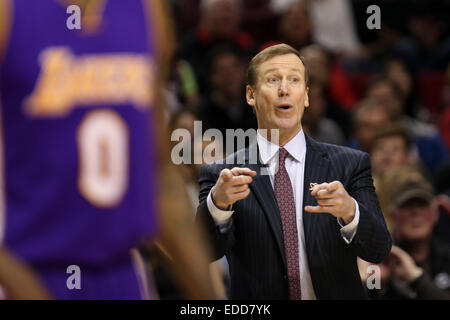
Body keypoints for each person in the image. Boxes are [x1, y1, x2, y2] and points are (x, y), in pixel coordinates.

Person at [0, 0, 218, 299]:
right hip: (22, 271)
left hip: (121, 273)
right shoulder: (9, 13)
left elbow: (157, 175)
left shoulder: (147, 10)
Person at [196, 43, 392, 299]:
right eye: (273, 80)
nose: (284, 89)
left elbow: (378, 249)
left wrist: (350, 211)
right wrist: (218, 205)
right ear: (250, 95)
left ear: (307, 96)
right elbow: (203, 253)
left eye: (294, 80)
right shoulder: (221, 174)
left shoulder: (350, 164)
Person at [361, 166, 450, 300]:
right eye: (407, 205)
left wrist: (416, 279)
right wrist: (373, 285)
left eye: (422, 204)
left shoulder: (447, 257)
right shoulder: (380, 258)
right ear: (393, 215)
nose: (415, 213)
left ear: (435, 213)